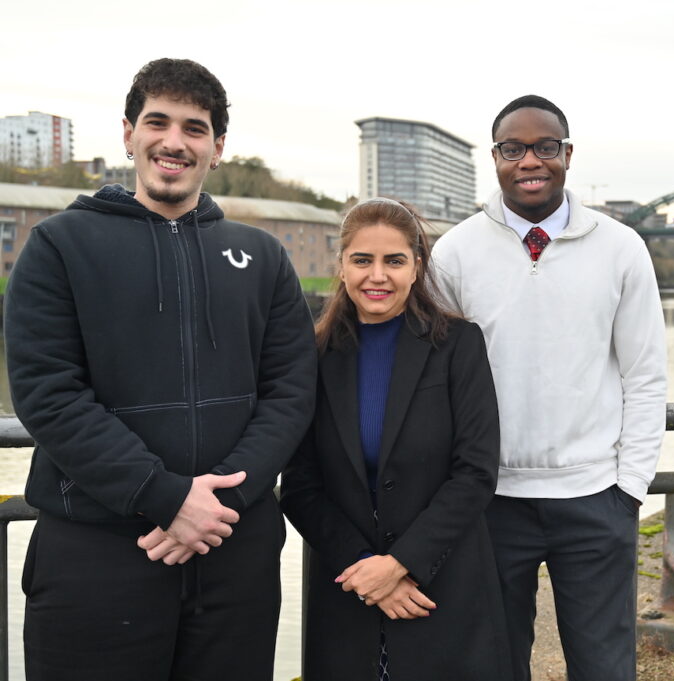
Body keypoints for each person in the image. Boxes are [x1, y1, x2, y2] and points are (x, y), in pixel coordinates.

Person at [3, 58, 316, 681]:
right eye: (158, 122)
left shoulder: (263, 257)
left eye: (194, 128)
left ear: (217, 147)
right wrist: (168, 498)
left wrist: (215, 503)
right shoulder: (58, 246)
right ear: (128, 133)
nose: (174, 142)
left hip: (233, 556)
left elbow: (290, 392)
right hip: (98, 552)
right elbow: (49, 395)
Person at [431, 95, 668, 681]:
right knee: (493, 665)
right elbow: (434, 383)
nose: (529, 160)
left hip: (594, 499)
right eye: (514, 149)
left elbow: (644, 373)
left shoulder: (620, 247)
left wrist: (630, 487)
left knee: (604, 667)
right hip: (488, 500)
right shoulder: (455, 252)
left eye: (545, 147)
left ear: (567, 154)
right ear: (495, 158)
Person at [280, 198, 512, 681]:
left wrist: (402, 563)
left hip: (441, 585)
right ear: (341, 267)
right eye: (362, 260)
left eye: (394, 261)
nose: (377, 276)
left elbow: (475, 472)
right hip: (348, 590)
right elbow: (300, 485)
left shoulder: (458, 346)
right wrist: (367, 568)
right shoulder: (313, 355)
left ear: (417, 267)